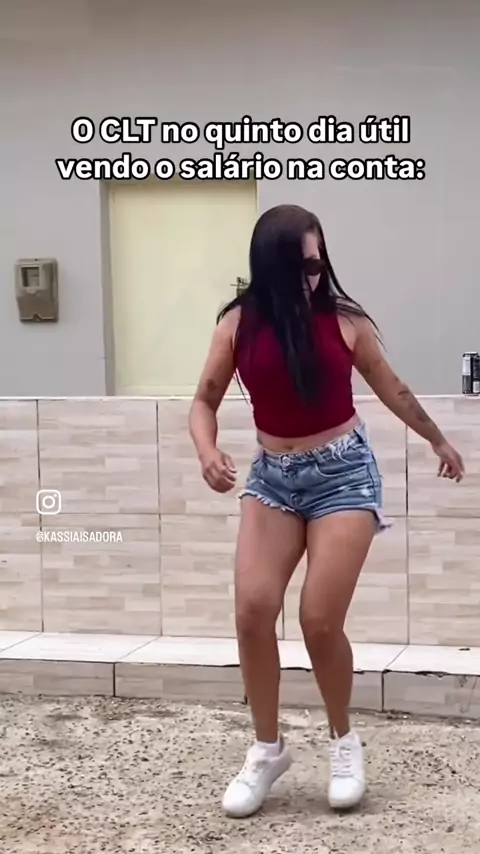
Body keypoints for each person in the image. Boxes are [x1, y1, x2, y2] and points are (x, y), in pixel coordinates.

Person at [188, 204, 464, 818]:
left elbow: (393, 388)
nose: (313, 277)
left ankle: (344, 742)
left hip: (343, 475)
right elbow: (203, 400)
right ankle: (267, 750)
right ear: (270, 267)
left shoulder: (345, 321)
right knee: (252, 611)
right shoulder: (238, 324)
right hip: (273, 477)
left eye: (318, 265)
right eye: (301, 267)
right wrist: (207, 451)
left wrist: (438, 440)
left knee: (317, 619)